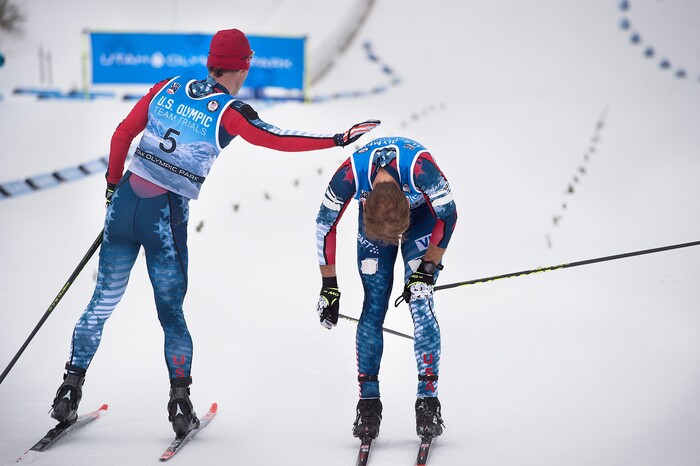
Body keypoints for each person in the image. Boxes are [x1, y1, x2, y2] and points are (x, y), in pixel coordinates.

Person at [49, 28, 380, 438]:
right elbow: (274, 138)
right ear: (241, 67)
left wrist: (112, 188)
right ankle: (180, 403)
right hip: (163, 217)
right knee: (171, 315)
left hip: (125, 204)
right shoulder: (230, 111)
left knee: (101, 302)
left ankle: (69, 387)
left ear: (210, 61)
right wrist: (336, 139)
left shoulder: (167, 86)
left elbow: (121, 135)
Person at [314, 136, 457, 440]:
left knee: (421, 300)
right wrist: (329, 287)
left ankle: (428, 402)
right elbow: (324, 224)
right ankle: (368, 404)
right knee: (374, 304)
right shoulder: (349, 175)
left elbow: (449, 215)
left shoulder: (422, 171)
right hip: (376, 227)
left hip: (421, 218)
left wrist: (427, 269)